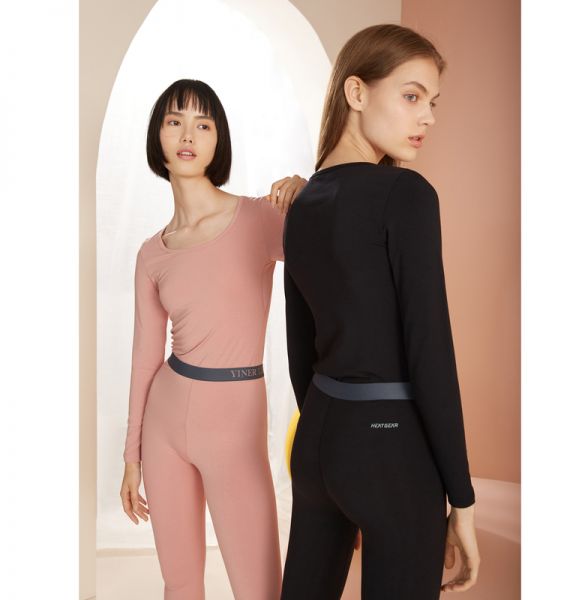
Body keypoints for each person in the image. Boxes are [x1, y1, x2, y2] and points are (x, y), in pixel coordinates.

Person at [281, 25, 481, 598]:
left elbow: (300, 348)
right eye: (411, 96)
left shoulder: (302, 200)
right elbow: (430, 352)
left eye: (433, 102)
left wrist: (335, 435)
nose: (428, 118)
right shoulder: (406, 195)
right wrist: (461, 499)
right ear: (357, 92)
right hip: (393, 453)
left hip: (319, 443)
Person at [118, 79, 306, 600]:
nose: (188, 135)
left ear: (218, 140)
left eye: (203, 124)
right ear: (158, 136)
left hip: (236, 425)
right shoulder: (151, 253)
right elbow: (143, 358)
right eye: (175, 121)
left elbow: (336, 247)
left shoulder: (260, 217)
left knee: (260, 589)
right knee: (180, 584)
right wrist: (131, 456)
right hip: (164, 425)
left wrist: (307, 192)